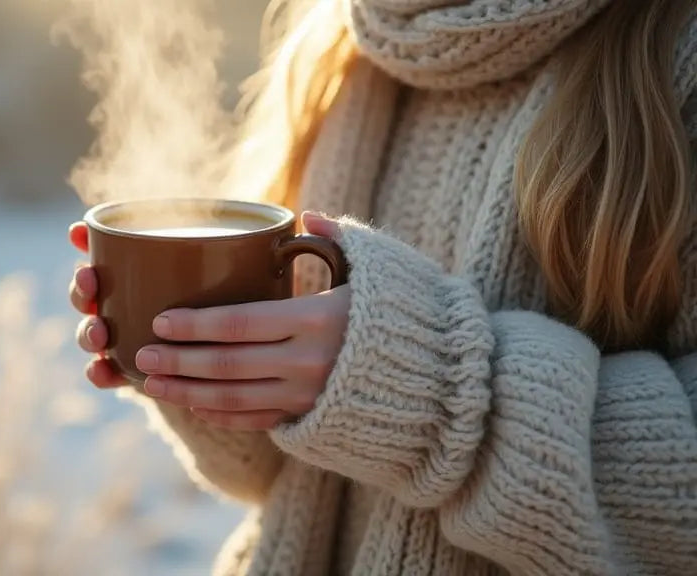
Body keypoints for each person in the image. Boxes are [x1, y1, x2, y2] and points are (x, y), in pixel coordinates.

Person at [69, 1, 697, 574]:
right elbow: (279, 480)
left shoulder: (673, 48)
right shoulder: (340, 44)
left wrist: (438, 396)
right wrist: (200, 364)